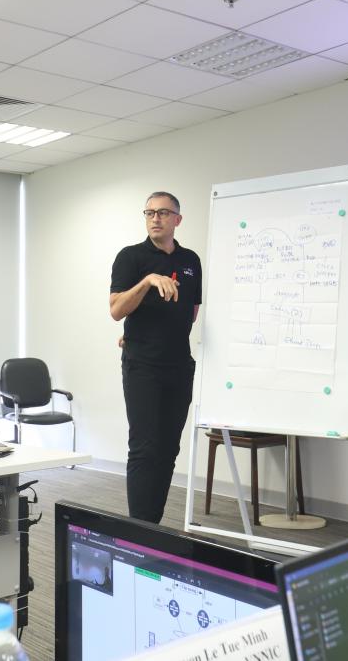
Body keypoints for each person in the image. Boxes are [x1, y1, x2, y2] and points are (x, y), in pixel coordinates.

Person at [109, 192, 202, 523]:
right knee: (144, 448)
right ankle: (140, 528)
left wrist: (159, 330)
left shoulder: (190, 260)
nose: (155, 218)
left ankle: (152, 526)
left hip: (179, 366)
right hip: (142, 366)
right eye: (149, 213)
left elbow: (191, 312)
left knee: (168, 449)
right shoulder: (131, 257)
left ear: (178, 219)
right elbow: (116, 310)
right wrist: (148, 282)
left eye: (163, 212)